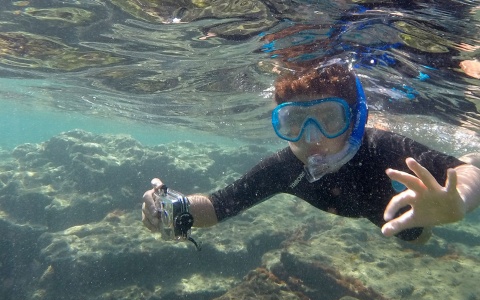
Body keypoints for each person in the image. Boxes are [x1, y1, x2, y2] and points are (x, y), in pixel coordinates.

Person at [142, 63, 480, 245]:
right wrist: (175, 209)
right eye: (294, 121)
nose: (312, 137)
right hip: (385, 218)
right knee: (411, 237)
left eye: (329, 118)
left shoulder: (382, 148)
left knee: (418, 233)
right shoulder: (285, 168)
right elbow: (218, 206)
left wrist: (459, 201)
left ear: (355, 119)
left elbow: (465, 174)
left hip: (408, 219)